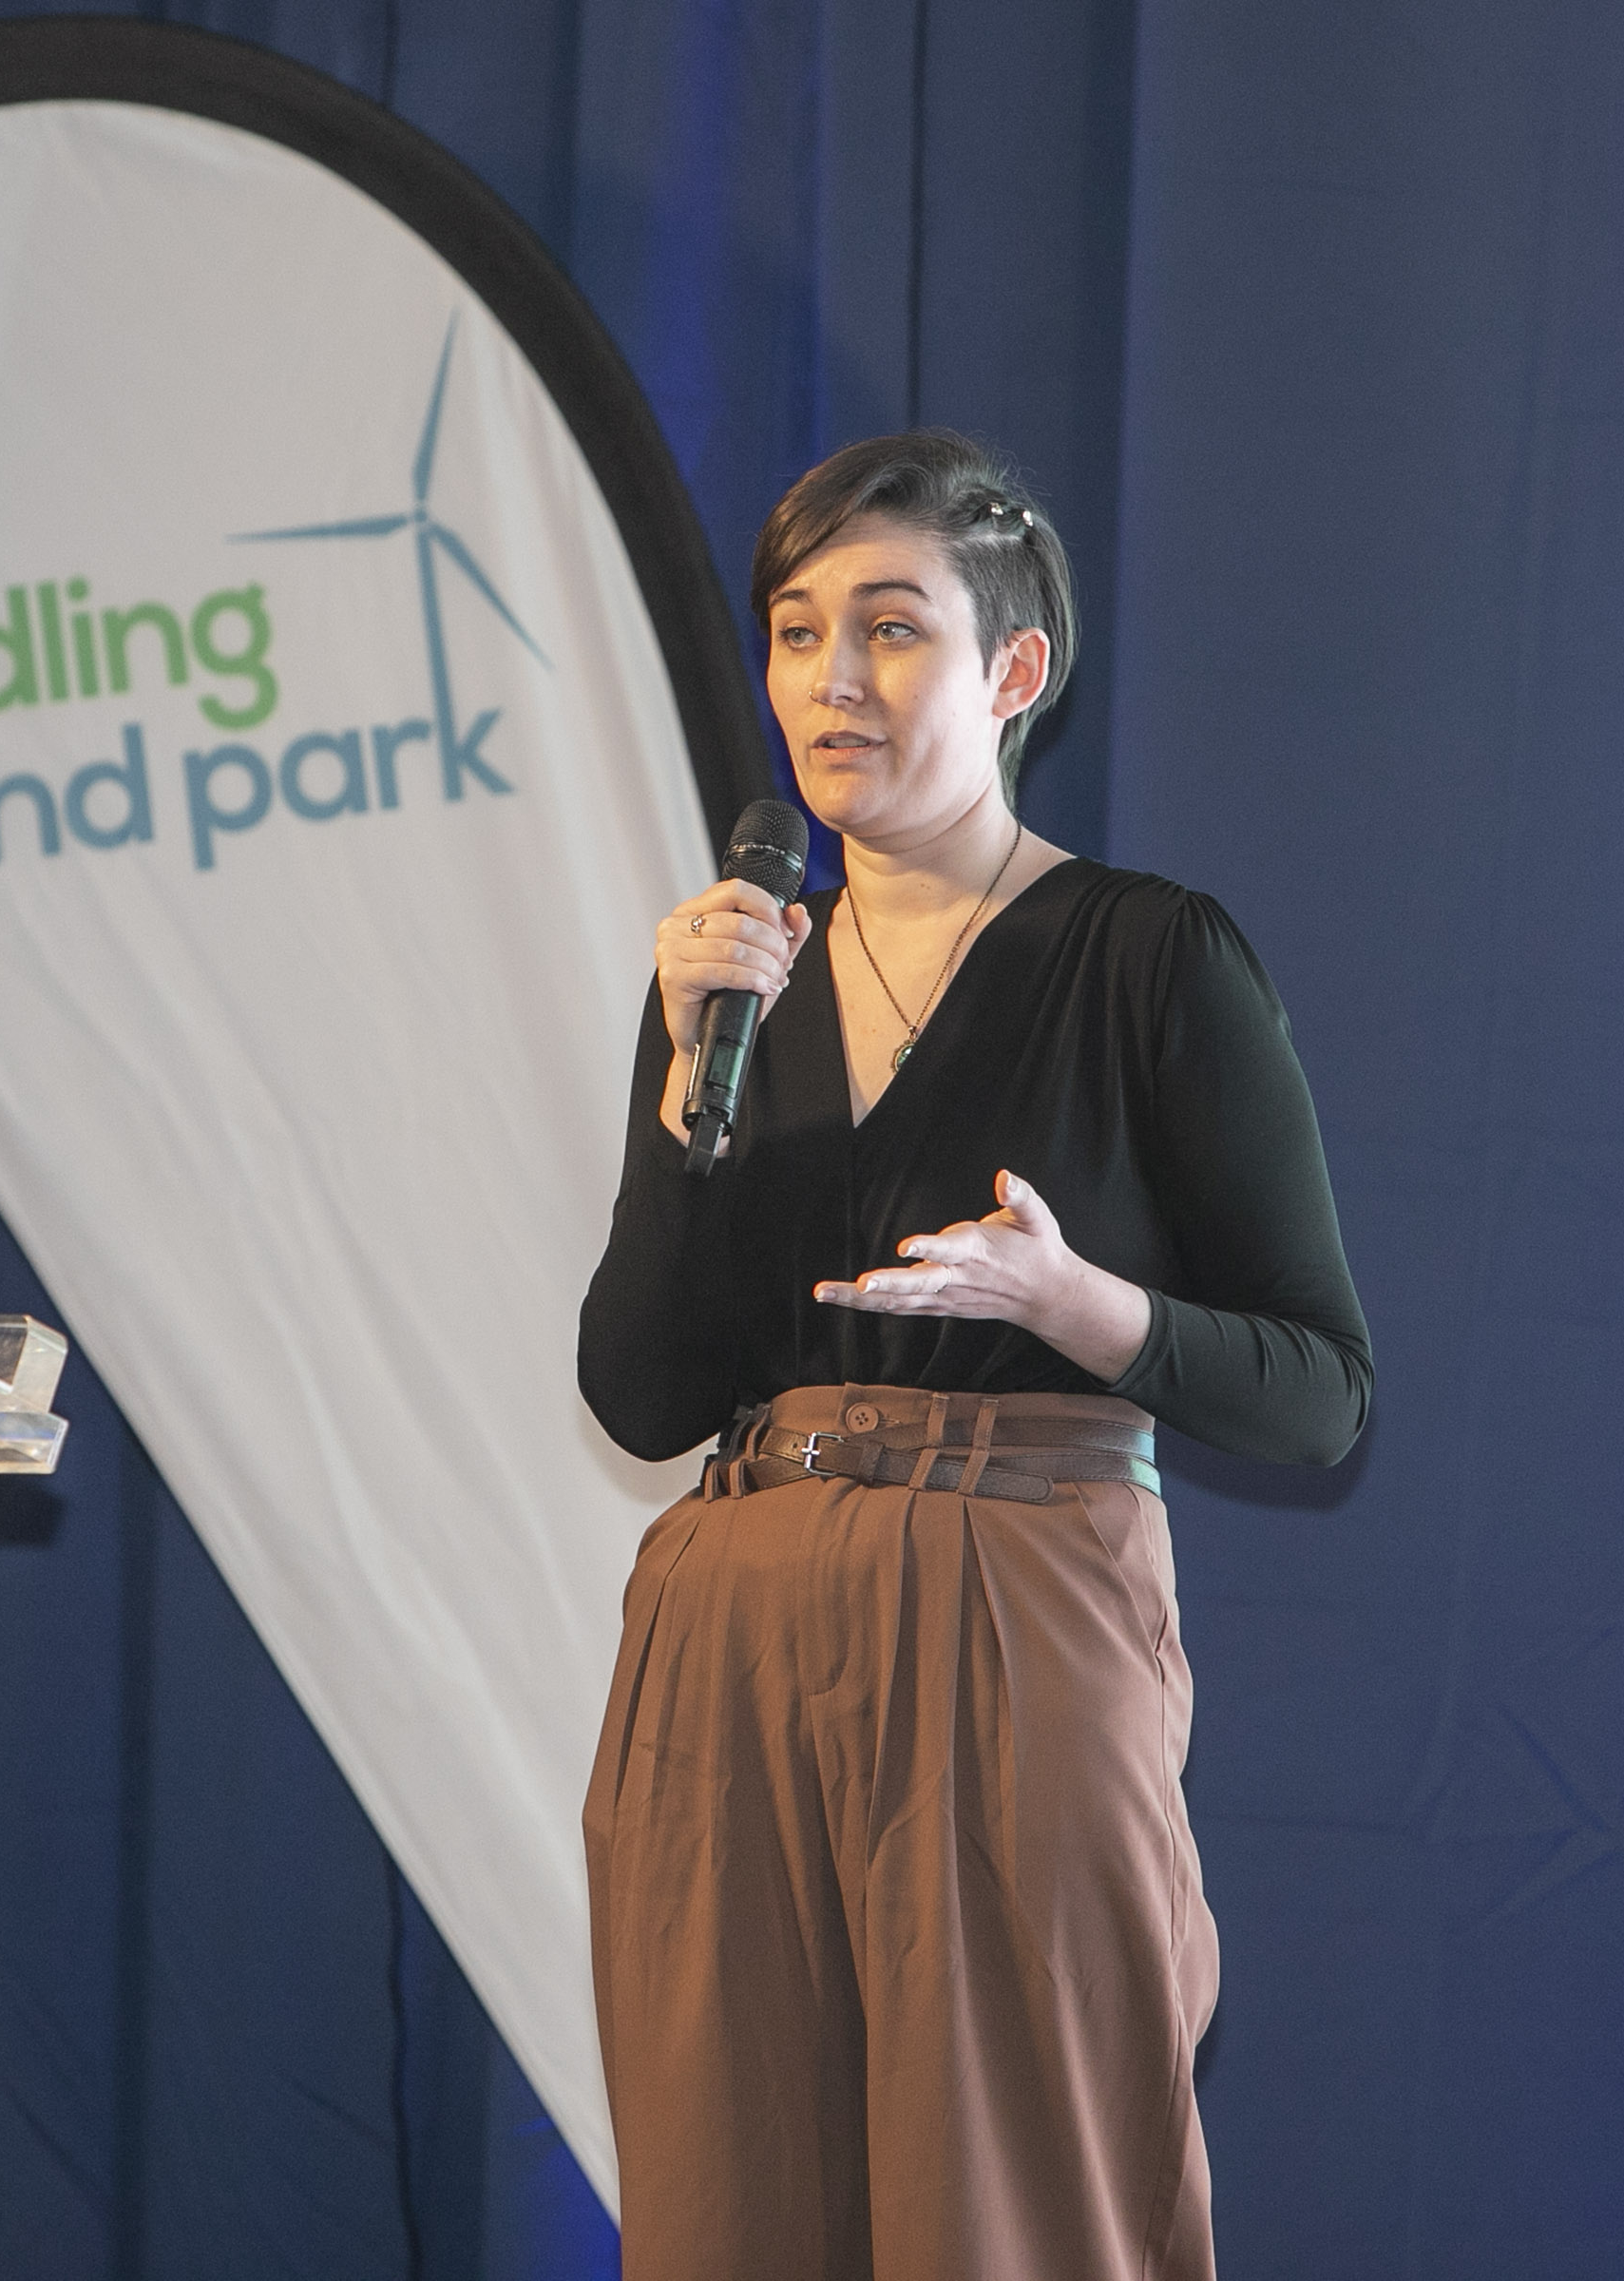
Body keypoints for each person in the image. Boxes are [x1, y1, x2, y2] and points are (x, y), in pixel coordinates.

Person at [578, 430, 1372, 2281]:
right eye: (796, 633)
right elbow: (641, 1392)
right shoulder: (734, 980)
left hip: (1016, 1606)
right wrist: (686, 1076)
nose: (829, 681)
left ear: (1014, 672)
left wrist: (1073, 1302)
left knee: (1016, 2207)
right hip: (733, 1629)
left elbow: (1321, 1389)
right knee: (726, 2204)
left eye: (889, 628)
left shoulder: (1149, 958)